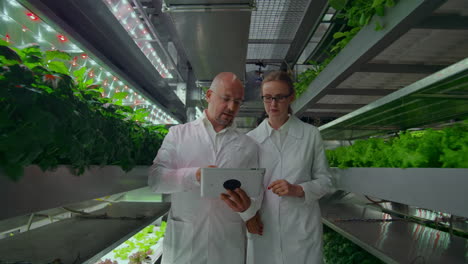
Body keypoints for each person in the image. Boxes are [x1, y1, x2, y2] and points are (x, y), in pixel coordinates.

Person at [148, 72, 259, 264]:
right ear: (208, 95)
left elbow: (257, 194)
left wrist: (247, 208)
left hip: (227, 245)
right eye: (226, 98)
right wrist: (195, 175)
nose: (232, 107)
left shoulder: (248, 146)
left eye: (238, 102)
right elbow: (155, 180)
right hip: (185, 246)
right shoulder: (178, 135)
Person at [245, 71, 332, 264]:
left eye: (280, 97)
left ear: (291, 97)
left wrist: (298, 189)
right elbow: (247, 187)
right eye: (267, 98)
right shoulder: (251, 140)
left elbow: (325, 181)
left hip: (301, 230)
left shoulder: (310, 135)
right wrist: (248, 216)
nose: (273, 104)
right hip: (264, 229)